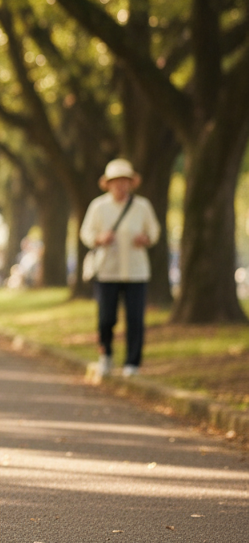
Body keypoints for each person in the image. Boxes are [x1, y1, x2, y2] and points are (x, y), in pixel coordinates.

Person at [79, 159, 160, 379]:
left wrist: (146, 238)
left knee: (135, 319)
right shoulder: (98, 207)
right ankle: (105, 354)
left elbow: (154, 231)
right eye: (116, 182)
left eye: (124, 182)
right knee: (106, 318)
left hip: (136, 271)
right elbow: (85, 233)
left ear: (130, 183)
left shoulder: (142, 206)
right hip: (108, 270)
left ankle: (132, 363)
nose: (120, 186)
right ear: (109, 184)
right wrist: (99, 238)